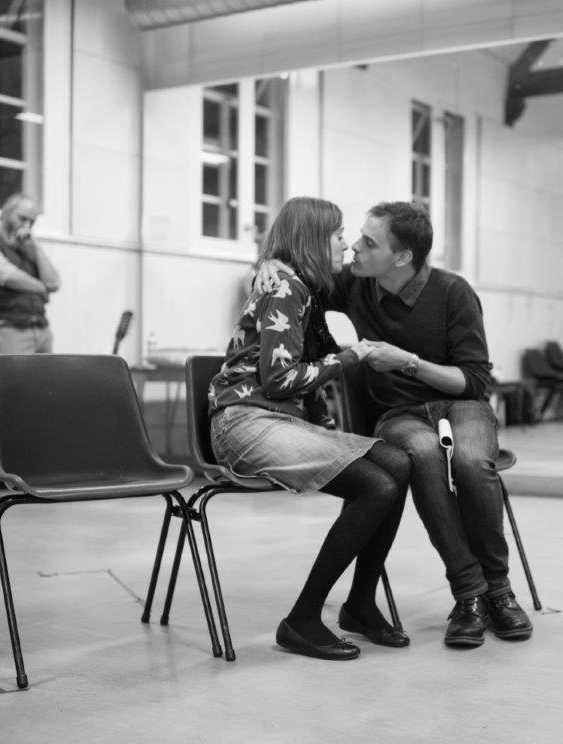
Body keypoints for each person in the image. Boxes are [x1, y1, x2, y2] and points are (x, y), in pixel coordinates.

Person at [259, 201, 533, 649]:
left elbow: (474, 380)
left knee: (469, 461)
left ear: (402, 257)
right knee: (423, 455)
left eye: (369, 242)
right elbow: (296, 280)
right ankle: (470, 595)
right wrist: (270, 262)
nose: (354, 247)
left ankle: (498, 593)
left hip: (462, 406)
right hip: (399, 415)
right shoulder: (356, 282)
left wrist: (408, 362)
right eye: (356, 237)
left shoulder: (454, 292)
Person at [209, 196, 411, 661]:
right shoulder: (286, 286)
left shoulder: (304, 287)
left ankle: (359, 606)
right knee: (377, 486)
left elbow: (305, 377)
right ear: (313, 240)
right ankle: (301, 620)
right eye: (338, 234)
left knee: (398, 463)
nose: (345, 243)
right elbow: (280, 381)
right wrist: (351, 357)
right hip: (245, 423)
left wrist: (332, 433)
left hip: (278, 421)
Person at [0, 193, 61, 361]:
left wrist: (35, 246)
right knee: (14, 379)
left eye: (32, 222)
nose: (27, 226)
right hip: (8, 330)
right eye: (22, 218)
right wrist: (42, 288)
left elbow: (54, 283)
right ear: (5, 213)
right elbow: (10, 277)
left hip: (42, 330)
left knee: (50, 379)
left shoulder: (28, 249)